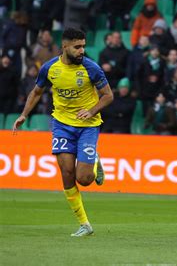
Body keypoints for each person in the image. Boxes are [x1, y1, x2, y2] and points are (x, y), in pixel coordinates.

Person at [12, 28, 114, 237]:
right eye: (77, 47)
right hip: (61, 125)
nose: (82, 51)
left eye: (83, 46)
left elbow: (108, 96)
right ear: (64, 46)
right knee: (67, 174)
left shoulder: (91, 68)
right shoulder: (50, 68)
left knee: (84, 179)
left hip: (88, 125)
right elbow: (37, 91)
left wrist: (92, 110)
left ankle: (94, 158)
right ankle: (85, 224)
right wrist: (24, 114)